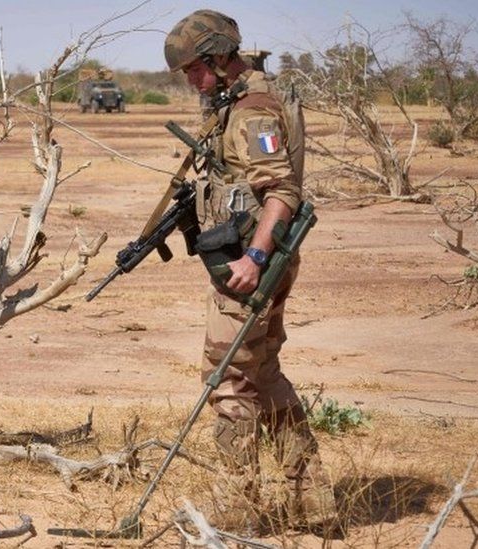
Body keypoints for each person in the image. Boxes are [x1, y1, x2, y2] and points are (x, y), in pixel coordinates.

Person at [163, 10, 337, 532]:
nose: (192, 80)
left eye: (196, 68)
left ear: (220, 57)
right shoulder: (235, 103)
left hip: (254, 264)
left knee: (230, 383)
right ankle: (316, 503)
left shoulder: (252, 110)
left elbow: (281, 191)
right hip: (255, 259)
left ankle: (237, 515)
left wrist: (254, 258)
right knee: (262, 374)